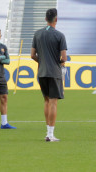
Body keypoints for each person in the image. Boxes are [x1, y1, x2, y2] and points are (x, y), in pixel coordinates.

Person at [30, 8, 67, 142]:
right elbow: (64, 58)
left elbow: (32, 55)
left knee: (46, 101)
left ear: (46, 19)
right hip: (54, 72)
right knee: (53, 102)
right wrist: (59, 62)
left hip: (41, 73)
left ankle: (48, 132)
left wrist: (43, 61)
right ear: (56, 19)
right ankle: (51, 134)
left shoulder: (37, 34)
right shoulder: (59, 35)